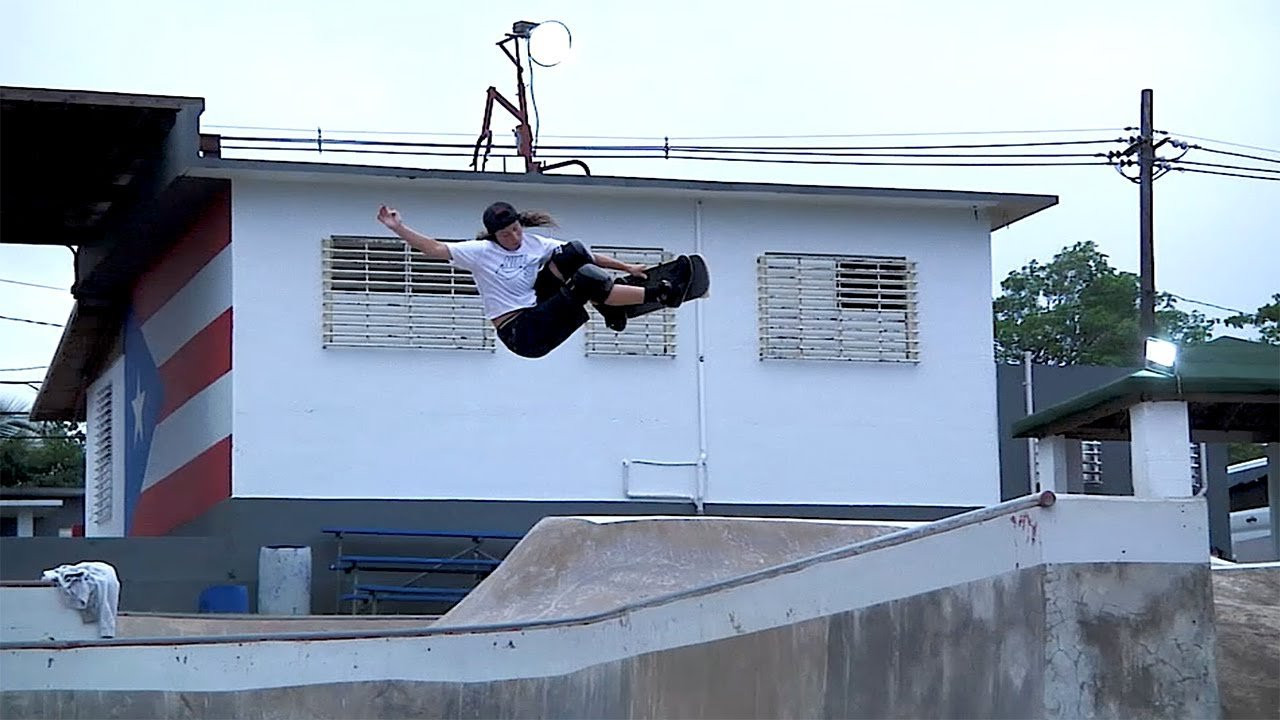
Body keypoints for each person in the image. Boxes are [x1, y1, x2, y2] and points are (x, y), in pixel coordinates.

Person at [375, 201, 690, 358]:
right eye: (505, 234)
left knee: (575, 253)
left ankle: (612, 309)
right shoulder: (480, 252)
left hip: (539, 307)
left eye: (516, 229)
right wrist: (397, 227)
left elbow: (589, 256)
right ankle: (661, 296)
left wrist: (628, 267)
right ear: (493, 235)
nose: (513, 237)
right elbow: (433, 248)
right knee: (586, 281)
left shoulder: (533, 243)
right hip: (522, 333)